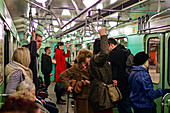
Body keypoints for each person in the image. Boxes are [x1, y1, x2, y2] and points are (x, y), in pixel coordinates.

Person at [88, 28, 116, 113]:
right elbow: (105, 53)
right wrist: (103, 35)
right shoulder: (96, 59)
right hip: (101, 93)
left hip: (102, 90)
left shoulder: (98, 60)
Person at [60, 48, 93, 113]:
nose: (90, 58)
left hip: (90, 94)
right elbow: (62, 75)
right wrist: (68, 86)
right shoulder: (76, 67)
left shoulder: (90, 67)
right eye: (88, 57)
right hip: (81, 94)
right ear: (83, 57)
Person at [108, 38, 132, 113]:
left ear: (111, 45)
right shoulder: (125, 51)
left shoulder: (114, 54)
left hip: (120, 85)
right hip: (126, 84)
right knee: (125, 106)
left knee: (123, 108)